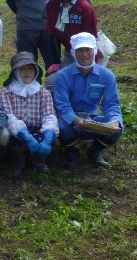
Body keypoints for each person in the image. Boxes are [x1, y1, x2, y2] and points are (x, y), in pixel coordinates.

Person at [53, 32, 123, 170]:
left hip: (93, 118)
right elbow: (62, 105)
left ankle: (95, 150)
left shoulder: (106, 76)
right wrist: (75, 119)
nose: (84, 54)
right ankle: (70, 150)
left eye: (88, 50)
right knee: (60, 128)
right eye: (80, 50)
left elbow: (112, 104)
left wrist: (114, 120)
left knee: (118, 128)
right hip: (70, 121)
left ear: (95, 51)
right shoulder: (62, 75)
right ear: (73, 52)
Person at [0, 52, 58, 178]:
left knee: (41, 141)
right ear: (15, 72)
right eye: (22, 69)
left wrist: (48, 137)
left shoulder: (44, 92)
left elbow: (49, 116)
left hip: (37, 129)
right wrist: (25, 135)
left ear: (36, 70)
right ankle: (18, 164)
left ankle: (37, 162)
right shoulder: (6, 93)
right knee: (16, 146)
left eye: (30, 68)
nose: (27, 72)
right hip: (16, 132)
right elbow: (9, 117)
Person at [45, 0, 98, 67]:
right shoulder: (53, 7)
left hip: (87, 55)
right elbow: (50, 36)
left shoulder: (84, 7)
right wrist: (55, 63)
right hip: (69, 54)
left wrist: (94, 66)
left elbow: (92, 38)